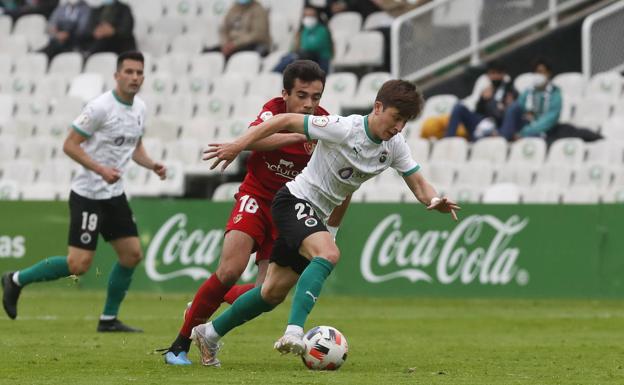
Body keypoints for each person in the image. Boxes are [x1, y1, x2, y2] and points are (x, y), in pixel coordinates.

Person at [192, 79, 460, 366]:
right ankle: (294, 333)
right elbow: (285, 119)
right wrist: (237, 146)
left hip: (314, 216)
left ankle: (208, 333)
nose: (398, 127)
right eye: (396, 118)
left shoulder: (394, 146)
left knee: (270, 293)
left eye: (405, 121)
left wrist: (434, 201)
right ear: (378, 107)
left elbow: (420, 185)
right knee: (329, 253)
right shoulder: (344, 128)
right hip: (293, 200)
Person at [161, 60, 351, 365]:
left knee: (268, 293)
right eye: (302, 96)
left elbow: (344, 179)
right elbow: (257, 139)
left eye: (316, 97)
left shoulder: (327, 124)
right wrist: (299, 134)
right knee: (229, 270)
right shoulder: (273, 110)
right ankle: (178, 346)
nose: (309, 104)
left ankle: (203, 309)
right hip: (256, 198)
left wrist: (331, 229)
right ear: (285, 93)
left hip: (290, 209)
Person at [1, 51, 167, 333]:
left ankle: (108, 319)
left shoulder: (140, 107)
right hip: (88, 195)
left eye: (139, 72)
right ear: (117, 75)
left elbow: (134, 147)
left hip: (114, 195)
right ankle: (16, 279)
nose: (135, 77)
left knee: (132, 255)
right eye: (129, 72)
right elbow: (70, 144)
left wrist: (152, 164)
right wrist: (101, 169)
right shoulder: (100, 107)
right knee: (78, 265)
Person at [445, 61, 517, 140]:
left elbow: (505, 116)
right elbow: (478, 110)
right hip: (481, 121)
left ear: (503, 74)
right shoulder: (486, 88)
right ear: (488, 75)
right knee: (458, 108)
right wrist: (483, 99)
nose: (495, 76)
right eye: (493, 73)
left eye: (498, 73)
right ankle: (448, 140)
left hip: (497, 126)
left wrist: (499, 103)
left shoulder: (509, 89)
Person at [499, 58, 562, 141]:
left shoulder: (555, 93)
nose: (538, 75)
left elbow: (550, 119)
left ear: (548, 73)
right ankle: (503, 138)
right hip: (526, 125)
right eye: (536, 72)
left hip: (543, 130)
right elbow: (519, 107)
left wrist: (524, 132)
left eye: (541, 72)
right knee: (513, 108)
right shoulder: (529, 91)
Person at [274, 6, 333, 74]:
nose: (308, 18)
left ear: (317, 17)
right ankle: (274, 77)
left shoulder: (322, 30)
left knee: (294, 58)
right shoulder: (303, 30)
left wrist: (299, 50)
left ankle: (274, 74)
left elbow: (314, 47)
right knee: (287, 57)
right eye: (306, 15)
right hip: (304, 59)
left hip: (320, 61)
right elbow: (293, 47)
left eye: (311, 15)